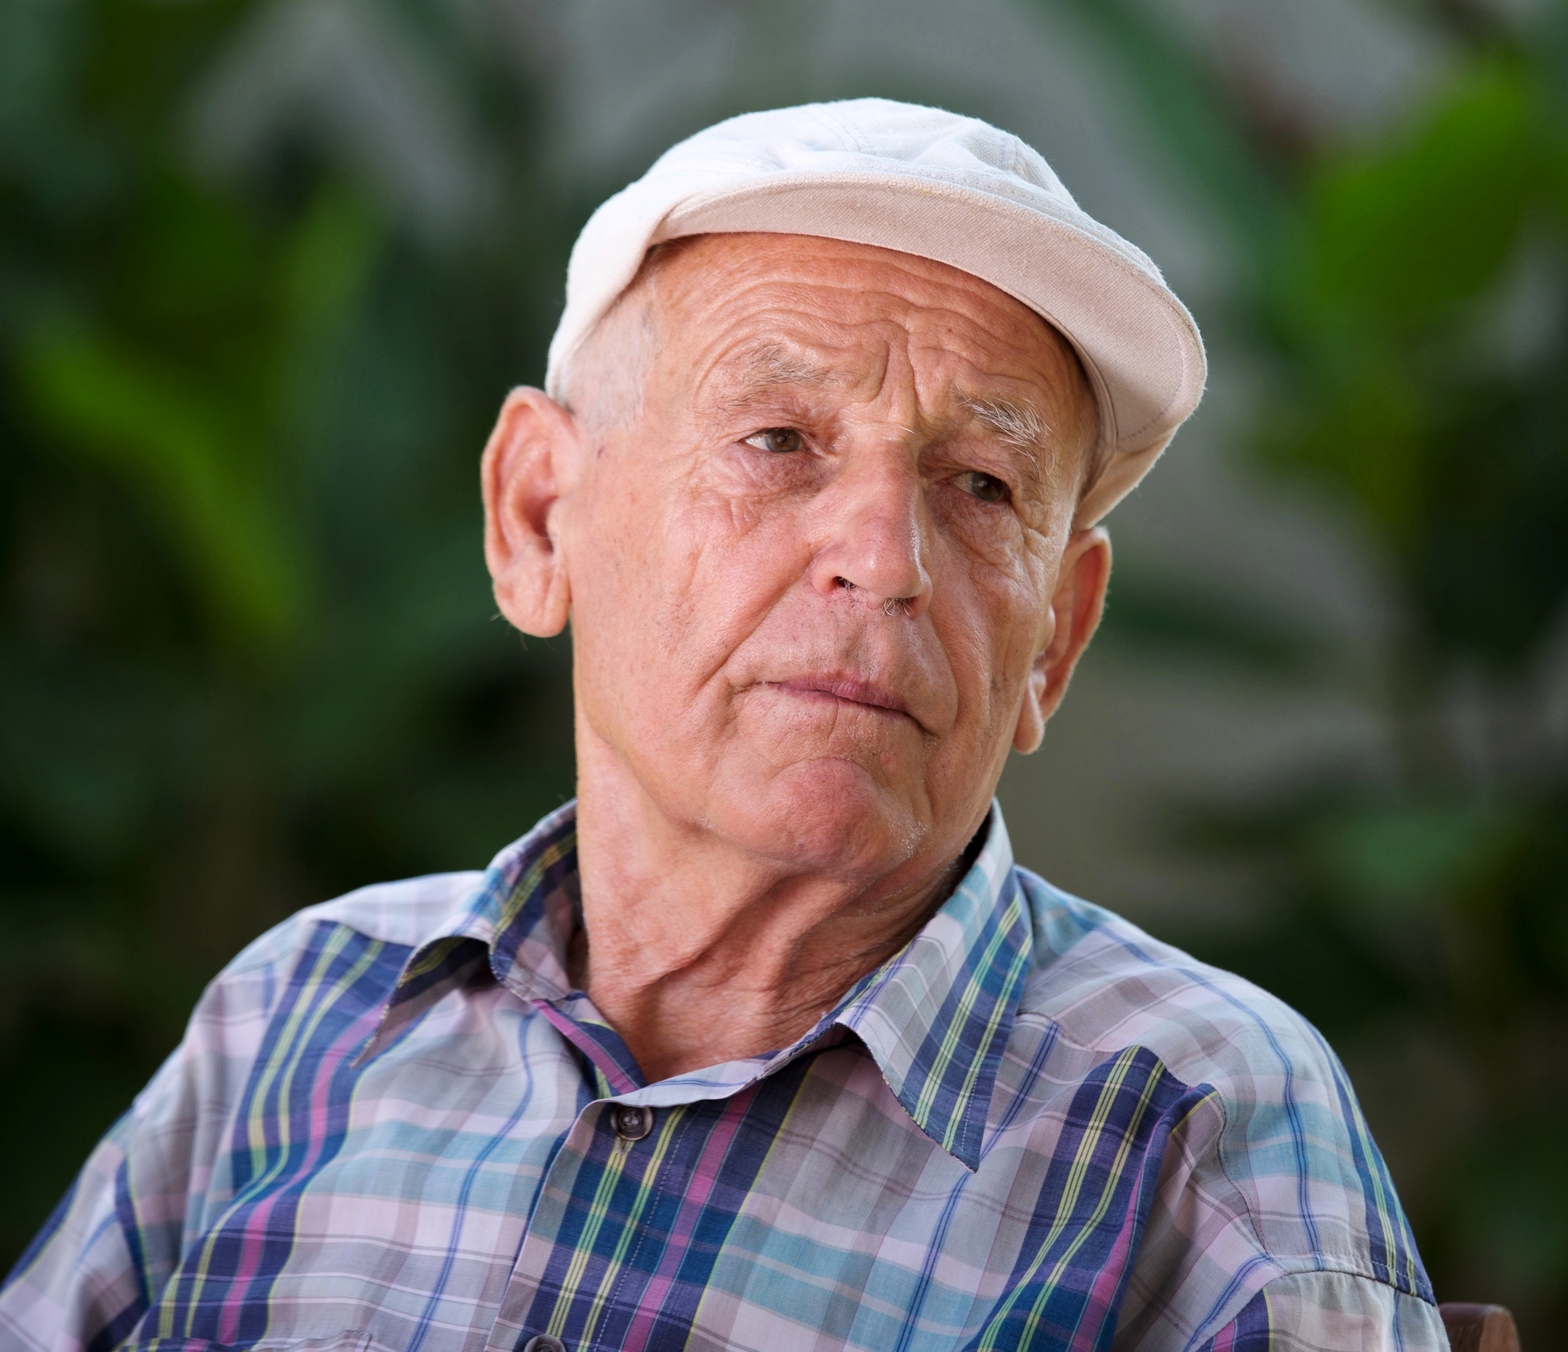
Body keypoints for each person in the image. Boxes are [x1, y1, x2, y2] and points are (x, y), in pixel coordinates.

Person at [0, 100, 1445, 1352]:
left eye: (982, 488)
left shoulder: (1194, 1133)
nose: (886, 558)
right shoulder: (305, 1015)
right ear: (538, 515)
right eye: (777, 442)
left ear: (1053, 639)